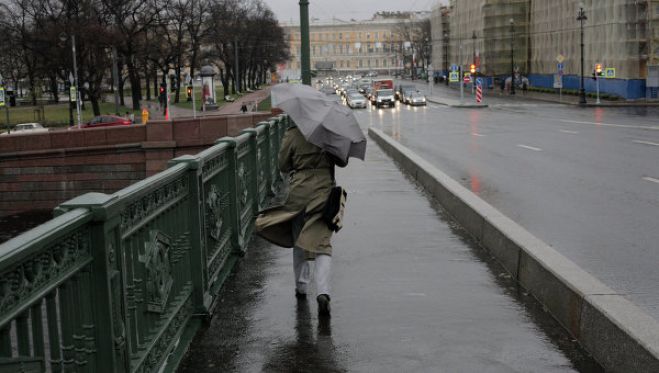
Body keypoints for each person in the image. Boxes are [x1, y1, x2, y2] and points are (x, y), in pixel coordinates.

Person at [255, 122, 344, 317]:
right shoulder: (327, 132)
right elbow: (342, 161)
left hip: (299, 193)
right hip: (323, 192)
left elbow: (283, 165)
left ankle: (301, 286)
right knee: (323, 244)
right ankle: (323, 292)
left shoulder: (293, 133)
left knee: (299, 240)